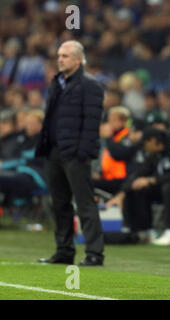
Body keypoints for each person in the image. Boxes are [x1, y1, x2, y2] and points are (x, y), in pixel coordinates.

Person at [35, 41, 105, 266]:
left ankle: (95, 253)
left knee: (85, 203)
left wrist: (82, 152)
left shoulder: (90, 85)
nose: (60, 59)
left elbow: (91, 123)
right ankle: (64, 251)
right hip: (54, 151)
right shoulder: (57, 83)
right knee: (60, 203)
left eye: (65, 56)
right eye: (59, 55)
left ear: (78, 59)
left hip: (75, 154)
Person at [106, 127, 170, 246]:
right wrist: (122, 192)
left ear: (153, 141)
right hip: (168, 188)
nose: (144, 148)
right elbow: (140, 172)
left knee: (168, 186)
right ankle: (145, 231)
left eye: (145, 144)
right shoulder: (155, 154)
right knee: (140, 187)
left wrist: (151, 180)